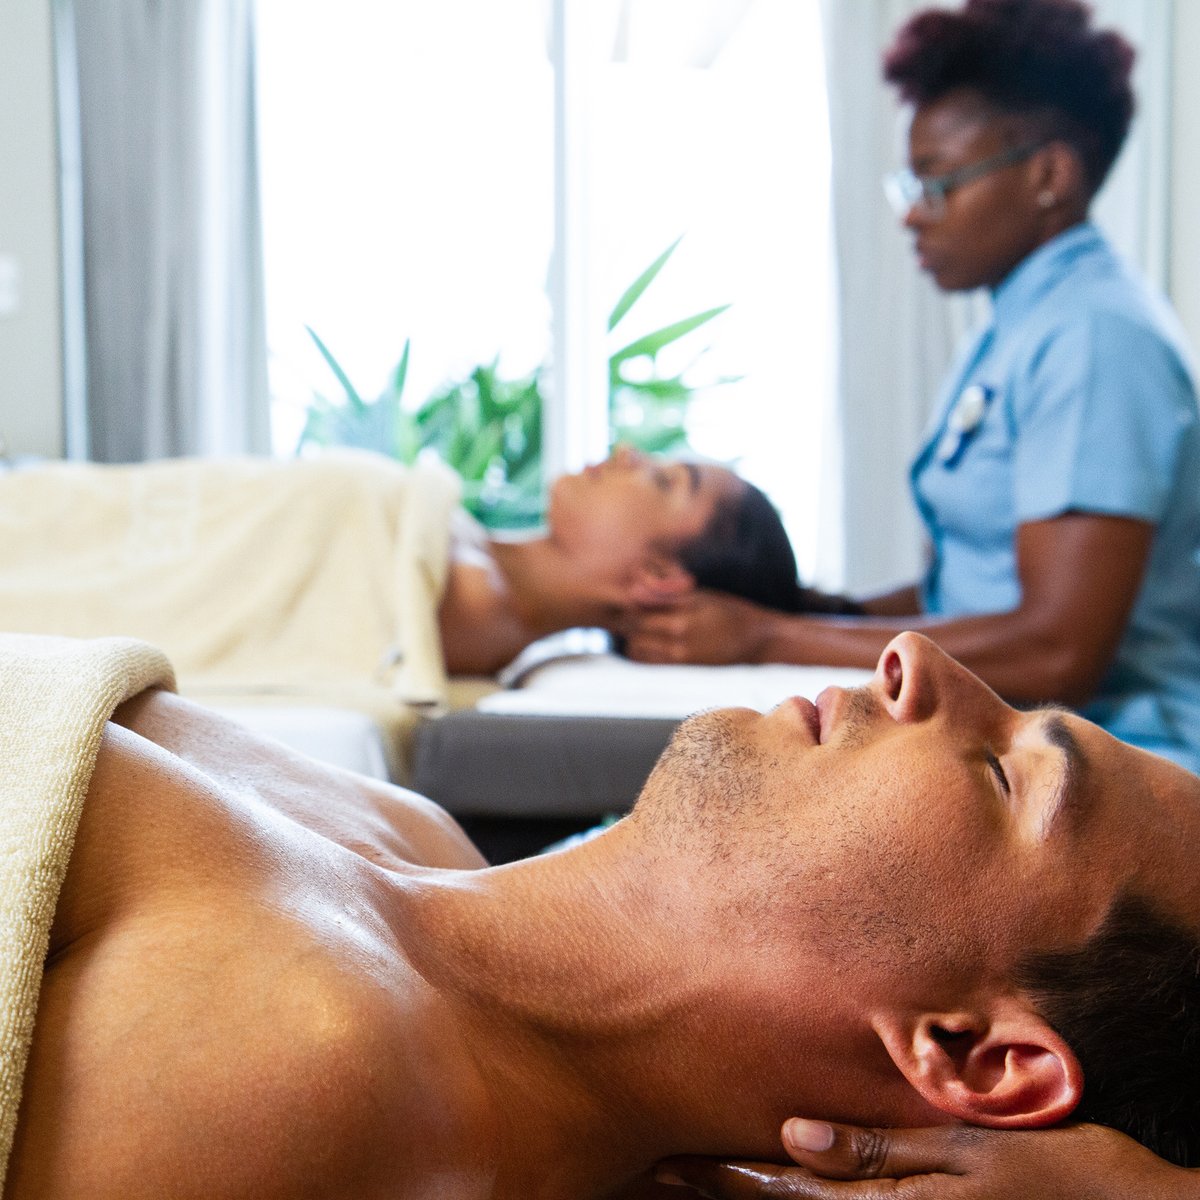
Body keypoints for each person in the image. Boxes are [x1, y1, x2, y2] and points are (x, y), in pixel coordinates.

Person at [14, 629, 1200, 1197]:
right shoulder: (417, 842)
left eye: (1005, 774)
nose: (916, 659)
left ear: (972, 1056)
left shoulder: (316, 1073)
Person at [619, 0, 1200, 777]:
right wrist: (828, 613)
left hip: (1107, 771)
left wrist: (766, 637)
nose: (913, 217)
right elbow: (970, 582)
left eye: (938, 184)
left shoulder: (1095, 338)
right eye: (910, 184)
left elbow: (1059, 648)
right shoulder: (1019, 326)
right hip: (1011, 756)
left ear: (1049, 176)